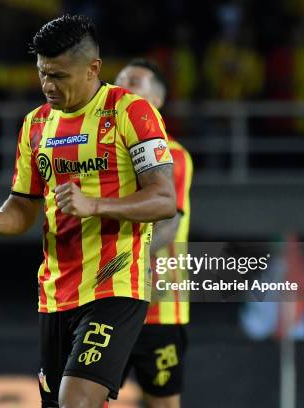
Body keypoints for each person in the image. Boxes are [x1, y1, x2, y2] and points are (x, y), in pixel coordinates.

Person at [0, 15, 176, 408]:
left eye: (59, 75)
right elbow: (23, 208)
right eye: (43, 73)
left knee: (75, 401)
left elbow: (164, 200)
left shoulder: (132, 113)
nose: (48, 85)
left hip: (116, 286)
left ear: (93, 68)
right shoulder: (35, 125)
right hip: (55, 294)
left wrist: (93, 205)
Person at [115, 59, 193, 408]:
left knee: (161, 403)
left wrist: (120, 264)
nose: (120, 87)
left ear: (155, 101)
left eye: (132, 82)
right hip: (107, 303)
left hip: (158, 306)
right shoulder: (102, 156)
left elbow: (169, 221)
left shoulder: (172, 156)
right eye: (117, 81)